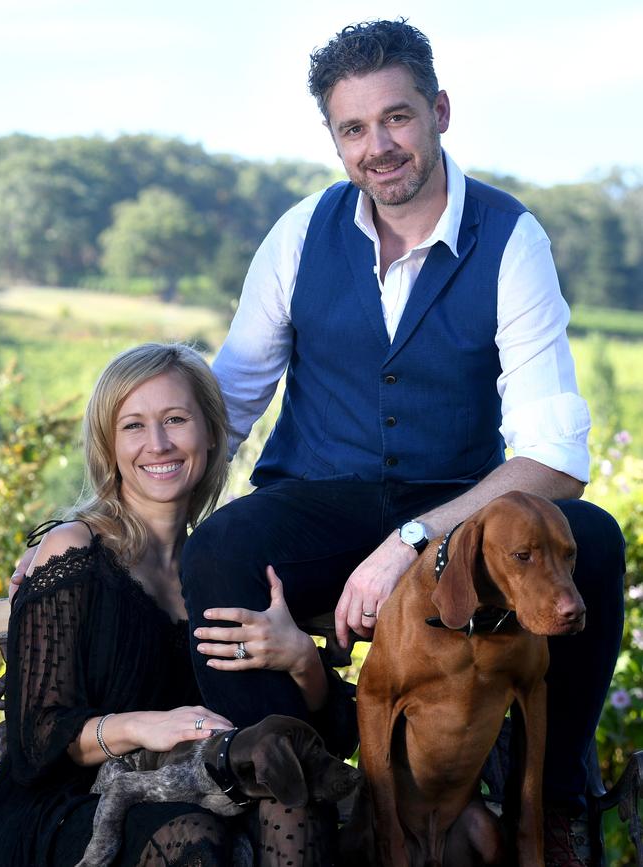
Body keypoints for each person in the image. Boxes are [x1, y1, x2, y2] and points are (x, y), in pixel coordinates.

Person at [180, 19, 625, 867]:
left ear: (440, 112)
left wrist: (416, 538)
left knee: (594, 544)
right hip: (316, 498)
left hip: (455, 503)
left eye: (397, 118)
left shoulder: (510, 239)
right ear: (335, 139)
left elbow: (557, 455)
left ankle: (554, 806)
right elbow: (226, 405)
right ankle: (294, 806)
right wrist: (105, 520)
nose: (377, 147)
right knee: (220, 554)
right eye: (353, 129)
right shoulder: (298, 236)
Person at [0, 342, 356, 867]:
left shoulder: (226, 570)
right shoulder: (75, 550)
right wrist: (142, 725)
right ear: (109, 445)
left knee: (296, 806)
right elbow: (36, 738)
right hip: (61, 806)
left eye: (176, 419)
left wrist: (301, 661)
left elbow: (327, 742)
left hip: (192, 786)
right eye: (134, 426)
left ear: (212, 433)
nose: (158, 444)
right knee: (192, 835)